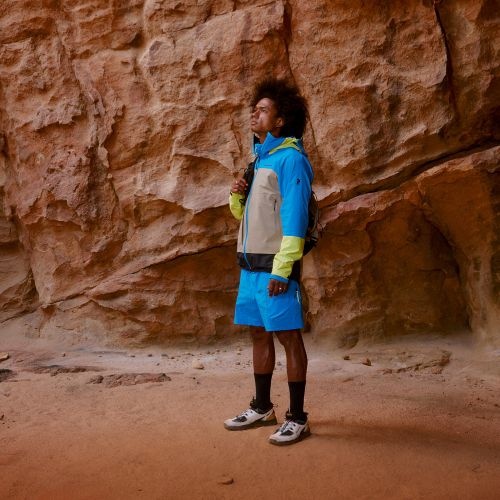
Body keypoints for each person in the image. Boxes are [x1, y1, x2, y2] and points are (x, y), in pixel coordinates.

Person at [224, 78, 313, 446]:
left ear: (280, 120)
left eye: (263, 110)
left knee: (288, 337)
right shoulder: (260, 160)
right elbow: (244, 217)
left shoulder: (292, 159)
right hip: (250, 268)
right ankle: (262, 407)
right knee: (258, 334)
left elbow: (295, 219)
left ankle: (298, 418)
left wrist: (283, 269)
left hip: (275, 268)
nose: (254, 114)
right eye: (254, 108)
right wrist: (236, 197)